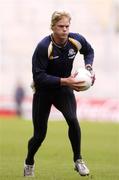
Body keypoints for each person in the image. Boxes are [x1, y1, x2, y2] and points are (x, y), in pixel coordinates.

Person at [24, 11, 95, 177]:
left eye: (67, 26)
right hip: (44, 91)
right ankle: (29, 162)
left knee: (72, 120)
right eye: (60, 26)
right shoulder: (44, 47)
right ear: (53, 27)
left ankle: (78, 160)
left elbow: (89, 51)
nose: (64, 30)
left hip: (63, 90)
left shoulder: (76, 40)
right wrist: (66, 81)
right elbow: (39, 77)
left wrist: (89, 68)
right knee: (39, 135)